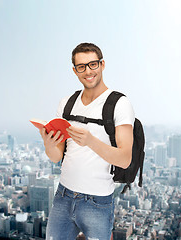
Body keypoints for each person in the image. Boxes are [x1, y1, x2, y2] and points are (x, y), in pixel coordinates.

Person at [40, 43, 135, 240]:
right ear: (75, 71)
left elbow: (125, 159)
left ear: (102, 65)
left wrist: (91, 141)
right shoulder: (66, 104)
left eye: (93, 64)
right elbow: (57, 156)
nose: (88, 71)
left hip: (97, 201)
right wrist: (49, 145)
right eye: (81, 66)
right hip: (63, 196)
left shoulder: (119, 104)